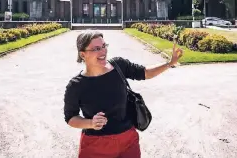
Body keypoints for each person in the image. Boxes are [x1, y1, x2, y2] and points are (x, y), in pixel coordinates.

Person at [64, 30, 183, 158]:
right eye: (96, 48)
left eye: (104, 46)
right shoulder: (76, 85)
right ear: (83, 54)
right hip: (96, 145)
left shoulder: (119, 65)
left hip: (128, 141)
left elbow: (145, 73)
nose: (103, 52)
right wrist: (90, 123)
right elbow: (70, 118)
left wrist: (169, 63)